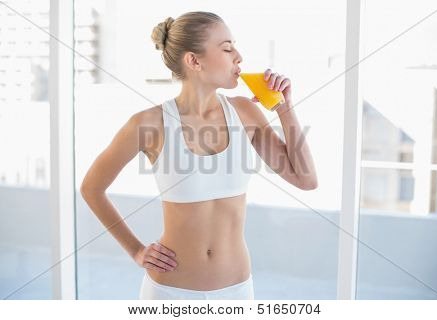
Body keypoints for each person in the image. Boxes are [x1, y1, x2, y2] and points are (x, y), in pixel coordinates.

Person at [80, 11, 318, 300]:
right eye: (227, 48)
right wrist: (136, 250)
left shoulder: (245, 112)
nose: (238, 56)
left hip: (236, 293)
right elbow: (92, 188)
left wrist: (284, 107)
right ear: (194, 61)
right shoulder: (149, 124)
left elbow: (306, 179)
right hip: (169, 293)